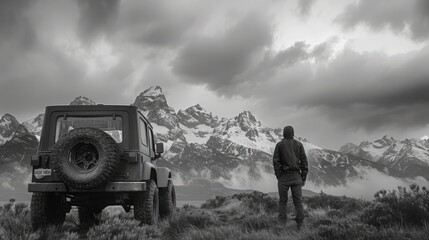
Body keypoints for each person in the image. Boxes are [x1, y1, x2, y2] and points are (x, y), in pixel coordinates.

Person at [273, 125, 308, 229]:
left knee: (282, 201)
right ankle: (300, 225)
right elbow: (304, 162)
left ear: (284, 133)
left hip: (284, 177)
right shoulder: (299, 145)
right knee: (298, 202)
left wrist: (279, 176)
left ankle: (282, 224)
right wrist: (303, 177)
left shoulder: (279, 145)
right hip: (297, 176)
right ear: (293, 133)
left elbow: (275, 162)